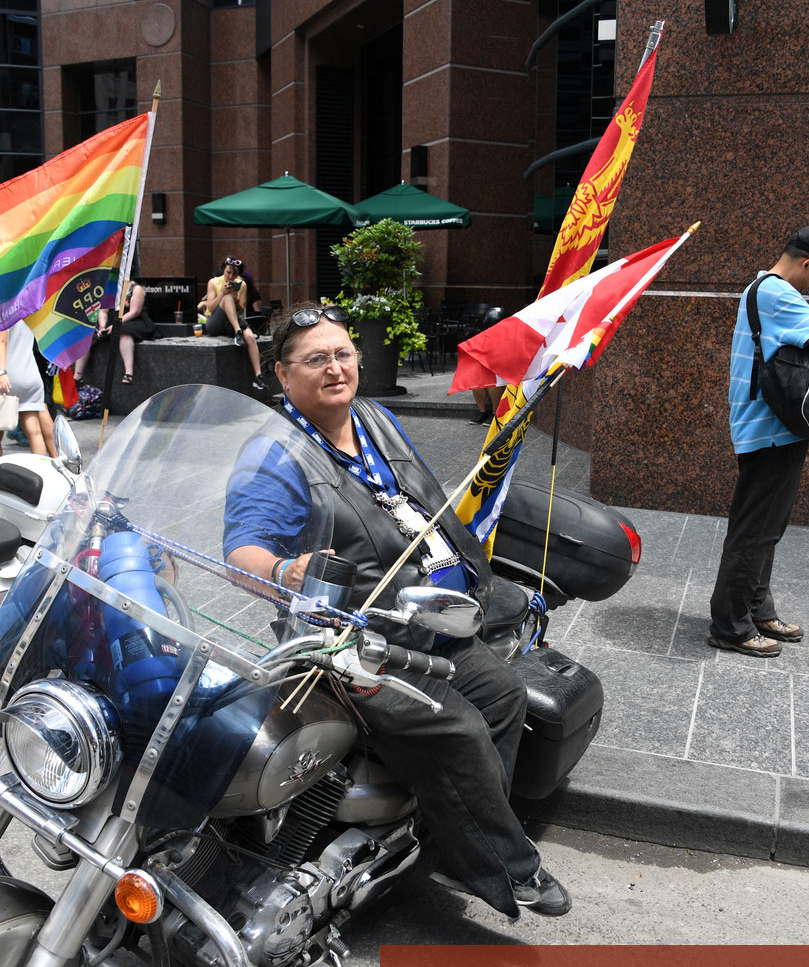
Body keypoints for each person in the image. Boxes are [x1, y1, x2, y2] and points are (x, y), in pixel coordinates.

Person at [223, 301, 571, 921]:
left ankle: (452, 833)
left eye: (343, 354)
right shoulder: (275, 453)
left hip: (432, 620)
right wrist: (285, 571)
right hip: (356, 642)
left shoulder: (374, 418)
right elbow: (240, 550)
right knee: (458, 730)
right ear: (282, 373)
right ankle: (501, 866)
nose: (336, 369)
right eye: (316, 359)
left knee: (505, 698)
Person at [709, 226, 809, 657]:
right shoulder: (779, 295)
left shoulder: (761, 287)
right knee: (753, 532)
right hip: (771, 430)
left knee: (766, 528)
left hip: (770, 427)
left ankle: (757, 609)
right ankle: (730, 625)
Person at [75, 279, 156, 385]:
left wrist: (115, 325)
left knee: (124, 332)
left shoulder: (136, 289)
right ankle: (77, 375)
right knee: (88, 336)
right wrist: (102, 327)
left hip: (132, 320)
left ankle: (128, 373)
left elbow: (134, 312)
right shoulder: (109, 288)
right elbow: (103, 312)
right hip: (112, 320)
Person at [202, 258, 266, 391]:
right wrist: (222, 293)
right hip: (215, 323)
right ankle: (238, 332)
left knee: (250, 337)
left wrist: (236, 299)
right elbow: (210, 308)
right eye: (228, 273)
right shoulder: (213, 282)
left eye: (234, 274)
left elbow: (241, 310)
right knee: (227, 298)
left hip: (233, 321)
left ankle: (258, 376)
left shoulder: (242, 285)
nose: (230, 277)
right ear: (223, 270)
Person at [0, 321, 56, 457]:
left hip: (7, 376)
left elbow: (2, 341)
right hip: (30, 374)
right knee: (34, 431)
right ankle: (41, 467)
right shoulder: (27, 311)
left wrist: (2, 372)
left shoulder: (4, 312)